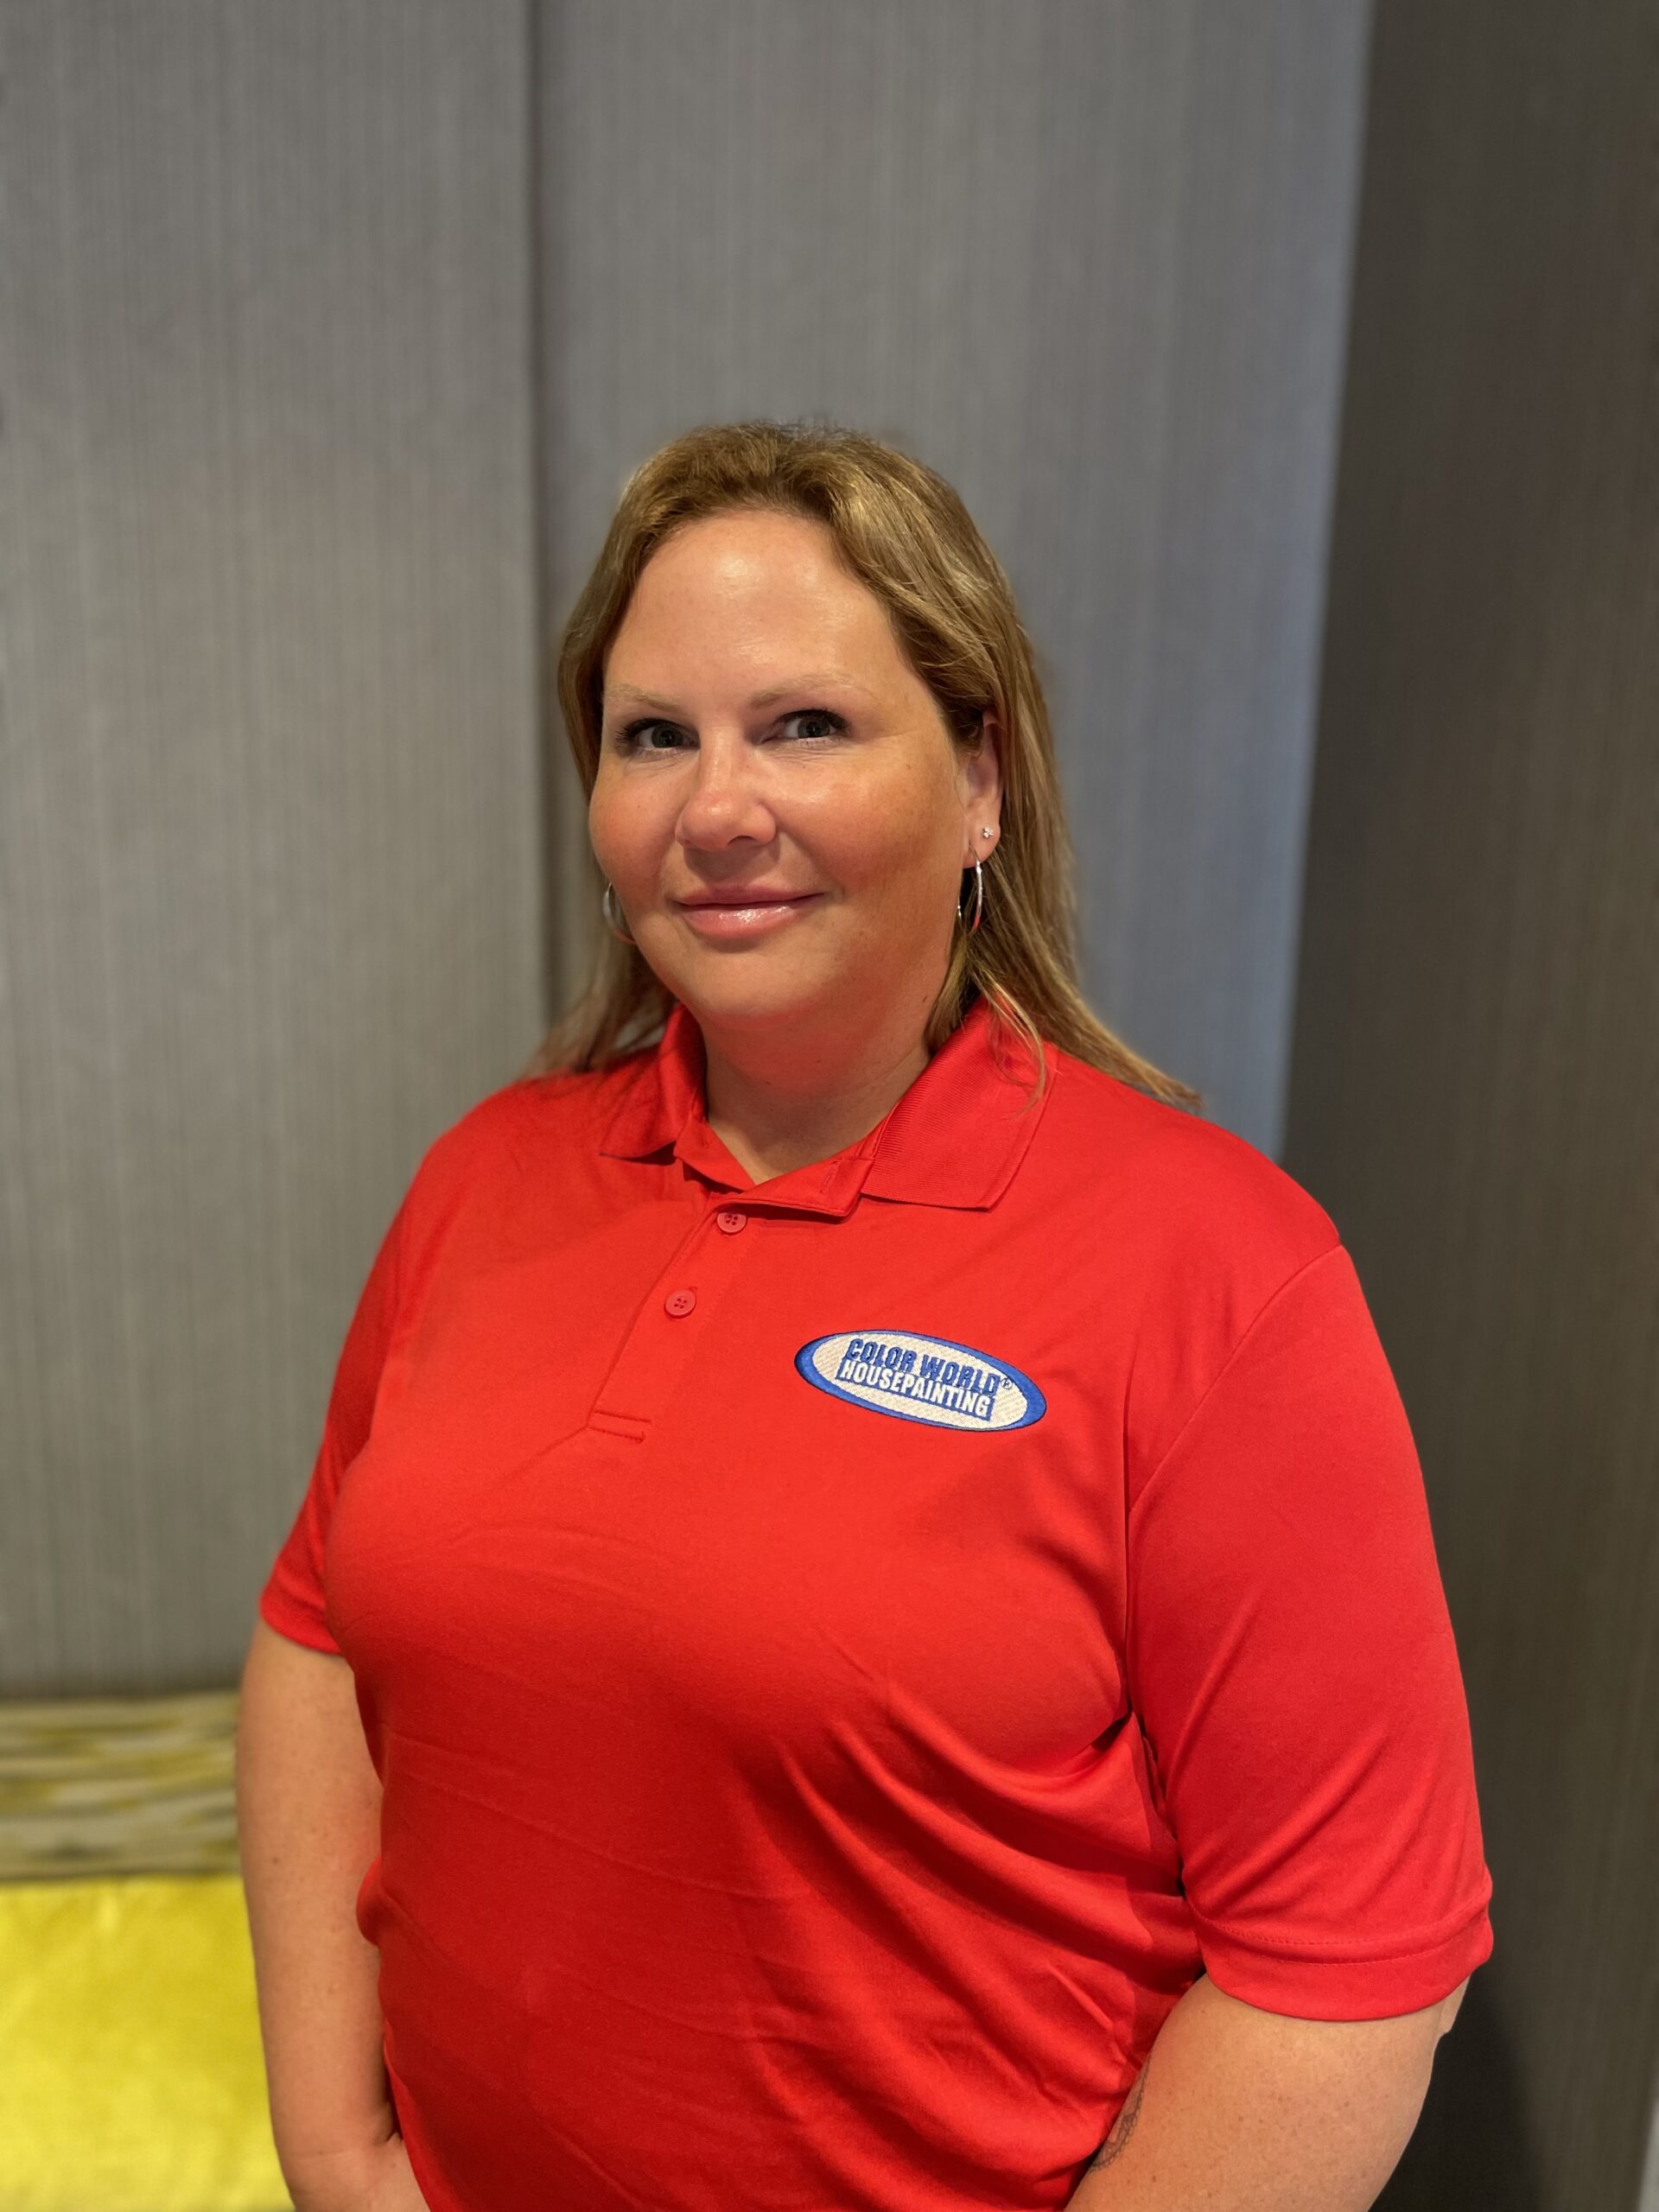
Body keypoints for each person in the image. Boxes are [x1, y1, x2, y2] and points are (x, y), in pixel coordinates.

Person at [235, 420, 1492, 2212]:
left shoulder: (1217, 1270)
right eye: (652, 733)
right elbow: (312, 1636)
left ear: (981, 778)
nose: (717, 806)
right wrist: (337, 2141)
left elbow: (1352, 1970)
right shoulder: (484, 1179)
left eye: (805, 724)